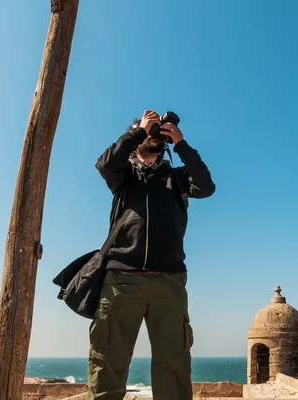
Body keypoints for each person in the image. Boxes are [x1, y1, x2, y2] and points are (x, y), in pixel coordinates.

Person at [88, 109, 216, 400]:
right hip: (121, 279)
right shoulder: (123, 176)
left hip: (168, 280)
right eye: (148, 129)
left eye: (158, 130)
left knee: (173, 362)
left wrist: (181, 143)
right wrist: (137, 131)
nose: (153, 133)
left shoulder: (176, 178)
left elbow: (206, 187)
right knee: (109, 360)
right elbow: (104, 164)